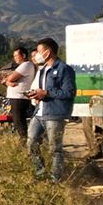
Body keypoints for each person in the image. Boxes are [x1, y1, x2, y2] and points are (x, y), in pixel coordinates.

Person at [26, 38, 77, 182]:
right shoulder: (43, 70)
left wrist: (47, 93)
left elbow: (69, 92)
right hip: (39, 112)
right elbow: (42, 90)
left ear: (48, 52)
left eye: (39, 52)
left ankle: (56, 179)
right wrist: (36, 94)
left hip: (54, 114)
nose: (37, 55)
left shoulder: (64, 69)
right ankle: (40, 173)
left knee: (55, 148)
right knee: (31, 143)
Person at [3, 46, 36, 138]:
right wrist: (7, 82)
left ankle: (24, 140)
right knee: (17, 121)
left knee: (19, 121)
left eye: (16, 56)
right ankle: (23, 139)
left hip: (19, 98)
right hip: (16, 97)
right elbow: (7, 80)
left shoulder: (26, 65)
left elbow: (11, 78)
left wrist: (7, 81)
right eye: (14, 56)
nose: (15, 58)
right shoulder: (22, 66)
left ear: (24, 55)